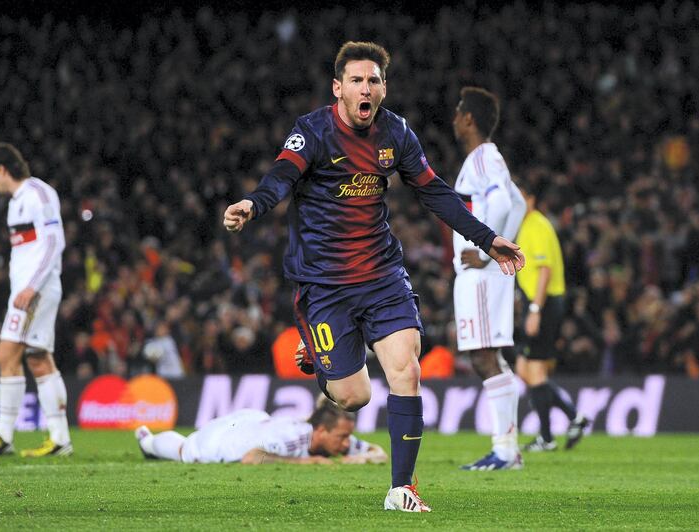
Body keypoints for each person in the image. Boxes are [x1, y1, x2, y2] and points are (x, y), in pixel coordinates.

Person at [223, 41, 524, 512]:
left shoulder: (396, 134)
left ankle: (401, 487)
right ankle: (324, 362)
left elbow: (435, 193)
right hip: (324, 284)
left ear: (384, 88)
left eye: (375, 80)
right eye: (358, 80)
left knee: (406, 367)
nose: (367, 88)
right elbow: (282, 176)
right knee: (354, 395)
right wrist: (253, 204)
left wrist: (487, 239)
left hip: (382, 275)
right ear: (339, 88)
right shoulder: (313, 132)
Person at [0, 143, 72, 457]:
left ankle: (3, 435)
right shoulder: (16, 203)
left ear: (2, 170)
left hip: (35, 290)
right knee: (38, 358)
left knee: (6, 353)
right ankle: (60, 439)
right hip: (31, 289)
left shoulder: (37, 194)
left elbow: (55, 241)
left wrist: (31, 287)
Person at [449, 87, 527, 471]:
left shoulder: (482, 158)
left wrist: (485, 252)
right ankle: (508, 448)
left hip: (480, 275)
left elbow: (500, 204)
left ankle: (505, 450)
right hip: (486, 272)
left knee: (482, 357)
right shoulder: (486, 160)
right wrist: (501, 249)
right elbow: (520, 204)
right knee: (489, 356)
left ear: (469, 119)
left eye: (458, 112)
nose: (454, 118)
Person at [514, 180, 589, 451]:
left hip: (544, 305)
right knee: (527, 370)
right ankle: (572, 419)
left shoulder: (536, 225)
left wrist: (534, 309)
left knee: (533, 370)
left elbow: (544, 270)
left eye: (519, 195)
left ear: (531, 199)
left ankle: (549, 434)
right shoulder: (526, 225)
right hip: (539, 304)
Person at [135, 396, 387, 465]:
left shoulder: (330, 436)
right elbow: (252, 458)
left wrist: (360, 458)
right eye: (342, 438)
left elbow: (379, 453)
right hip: (226, 439)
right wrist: (310, 462)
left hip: (254, 423)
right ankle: (148, 441)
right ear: (321, 430)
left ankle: (150, 443)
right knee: (186, 450)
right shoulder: (293, 439)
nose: (346, 444)